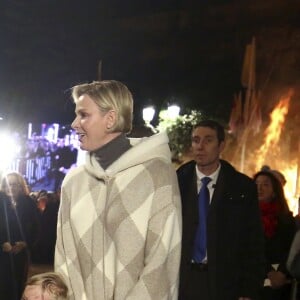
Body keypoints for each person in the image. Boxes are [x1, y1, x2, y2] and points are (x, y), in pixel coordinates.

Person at [55, 80, 182, 299]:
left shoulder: (157, 175)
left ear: (110, 119)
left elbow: (161, 266)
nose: (75, 123)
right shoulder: (73, 182)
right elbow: (64, 261)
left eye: (84, 115)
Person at [177, 119, 265, 300]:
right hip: (181, 281)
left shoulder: (242, 188)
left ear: (221, 145)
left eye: (208, 140)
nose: (200, 146)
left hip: (224, 282)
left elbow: (253, 241)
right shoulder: (176, 182)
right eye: (196, 140)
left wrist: (248, 289)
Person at [254, 170, 296, 300]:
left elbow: (291, 249)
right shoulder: (246, 218)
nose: (259, 188)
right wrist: (269, 271)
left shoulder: (286, 219)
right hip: (254, 281)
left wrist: (283, 272)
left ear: (275, 191)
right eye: (256, 184)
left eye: (265, 184)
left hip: (280, 285)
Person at [0, 172, 39, 299]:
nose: (10, 187)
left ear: (21, 186)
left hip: (19, 253)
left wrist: (25, 243)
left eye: (14, 184)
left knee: (17, 286)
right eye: (8, 184)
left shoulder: (29, 204)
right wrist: (2, 243)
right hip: (1, 252)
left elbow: (36, 228)